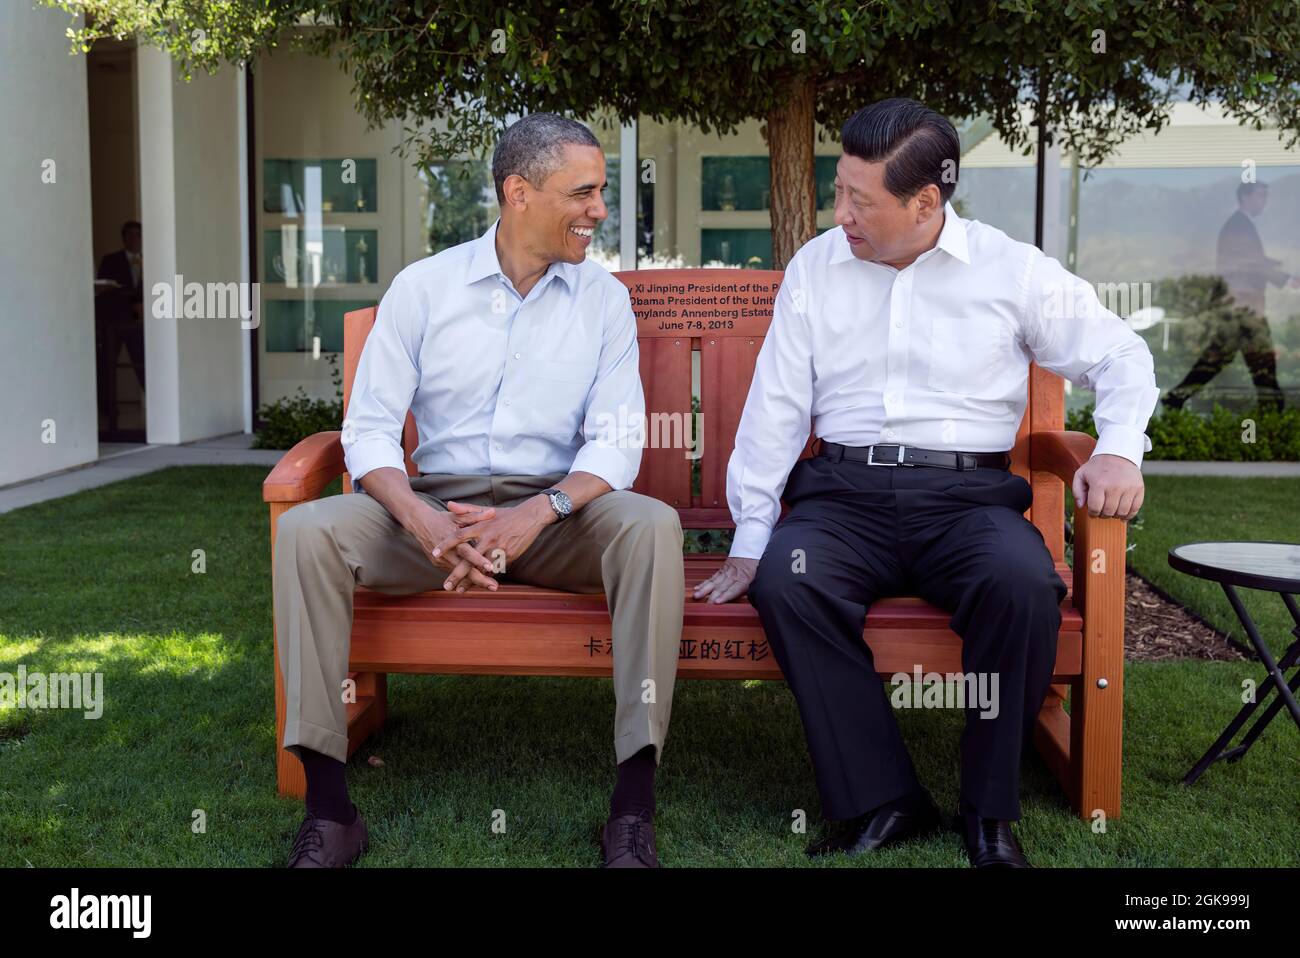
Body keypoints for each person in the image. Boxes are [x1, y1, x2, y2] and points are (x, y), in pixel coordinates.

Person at [693, 98, 1160, 868]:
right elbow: (777, 407)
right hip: (842, 500)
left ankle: (988, 813)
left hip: (968, 504)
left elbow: (1121, 355)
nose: (839, 212)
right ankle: (884, 797)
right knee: (787, 581)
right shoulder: (817, 266)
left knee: (1021, 583)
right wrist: (750, 538)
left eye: (859, 200)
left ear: (925, 201)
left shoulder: (1010, 269)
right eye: (838, 190)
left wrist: (1117, 450)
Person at [274, 114, 684, 868]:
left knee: (651, 527)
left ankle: (633, 808)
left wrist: (538, 512)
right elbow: (368, 431)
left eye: (602, 192)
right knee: (306, 531)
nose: (599, 210)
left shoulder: (601, 299)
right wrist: (422, 519)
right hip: (431, 513)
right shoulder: (424, 289)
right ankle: (329, 812)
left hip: (559, 517)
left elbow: (618, 441)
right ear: (518, 193)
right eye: (584, 192)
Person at [1164, 181, 1295, 412]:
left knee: (1223, 362)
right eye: (1260, 196)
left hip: (1240, 310)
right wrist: (1285, 278)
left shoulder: (1241, 225)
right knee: (1261, 366)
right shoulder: (1239, 226)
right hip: (1243, 310)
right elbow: (1249, 263)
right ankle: (1275, 422)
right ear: (1245, 197)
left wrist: (1271, 266)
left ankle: (1176, 398)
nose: (1263, 202)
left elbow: (1249, 261)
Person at [95, 221, 146, 408]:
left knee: (143, 363)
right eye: (130, 234)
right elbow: (102, 291)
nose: (134, 238)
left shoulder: (153, 259)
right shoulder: (111, 260)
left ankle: (157, 406)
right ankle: (107, 410)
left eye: (138, 234)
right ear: (123, 238)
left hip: (139, 322)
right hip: (115, 321)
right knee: (107, 364)